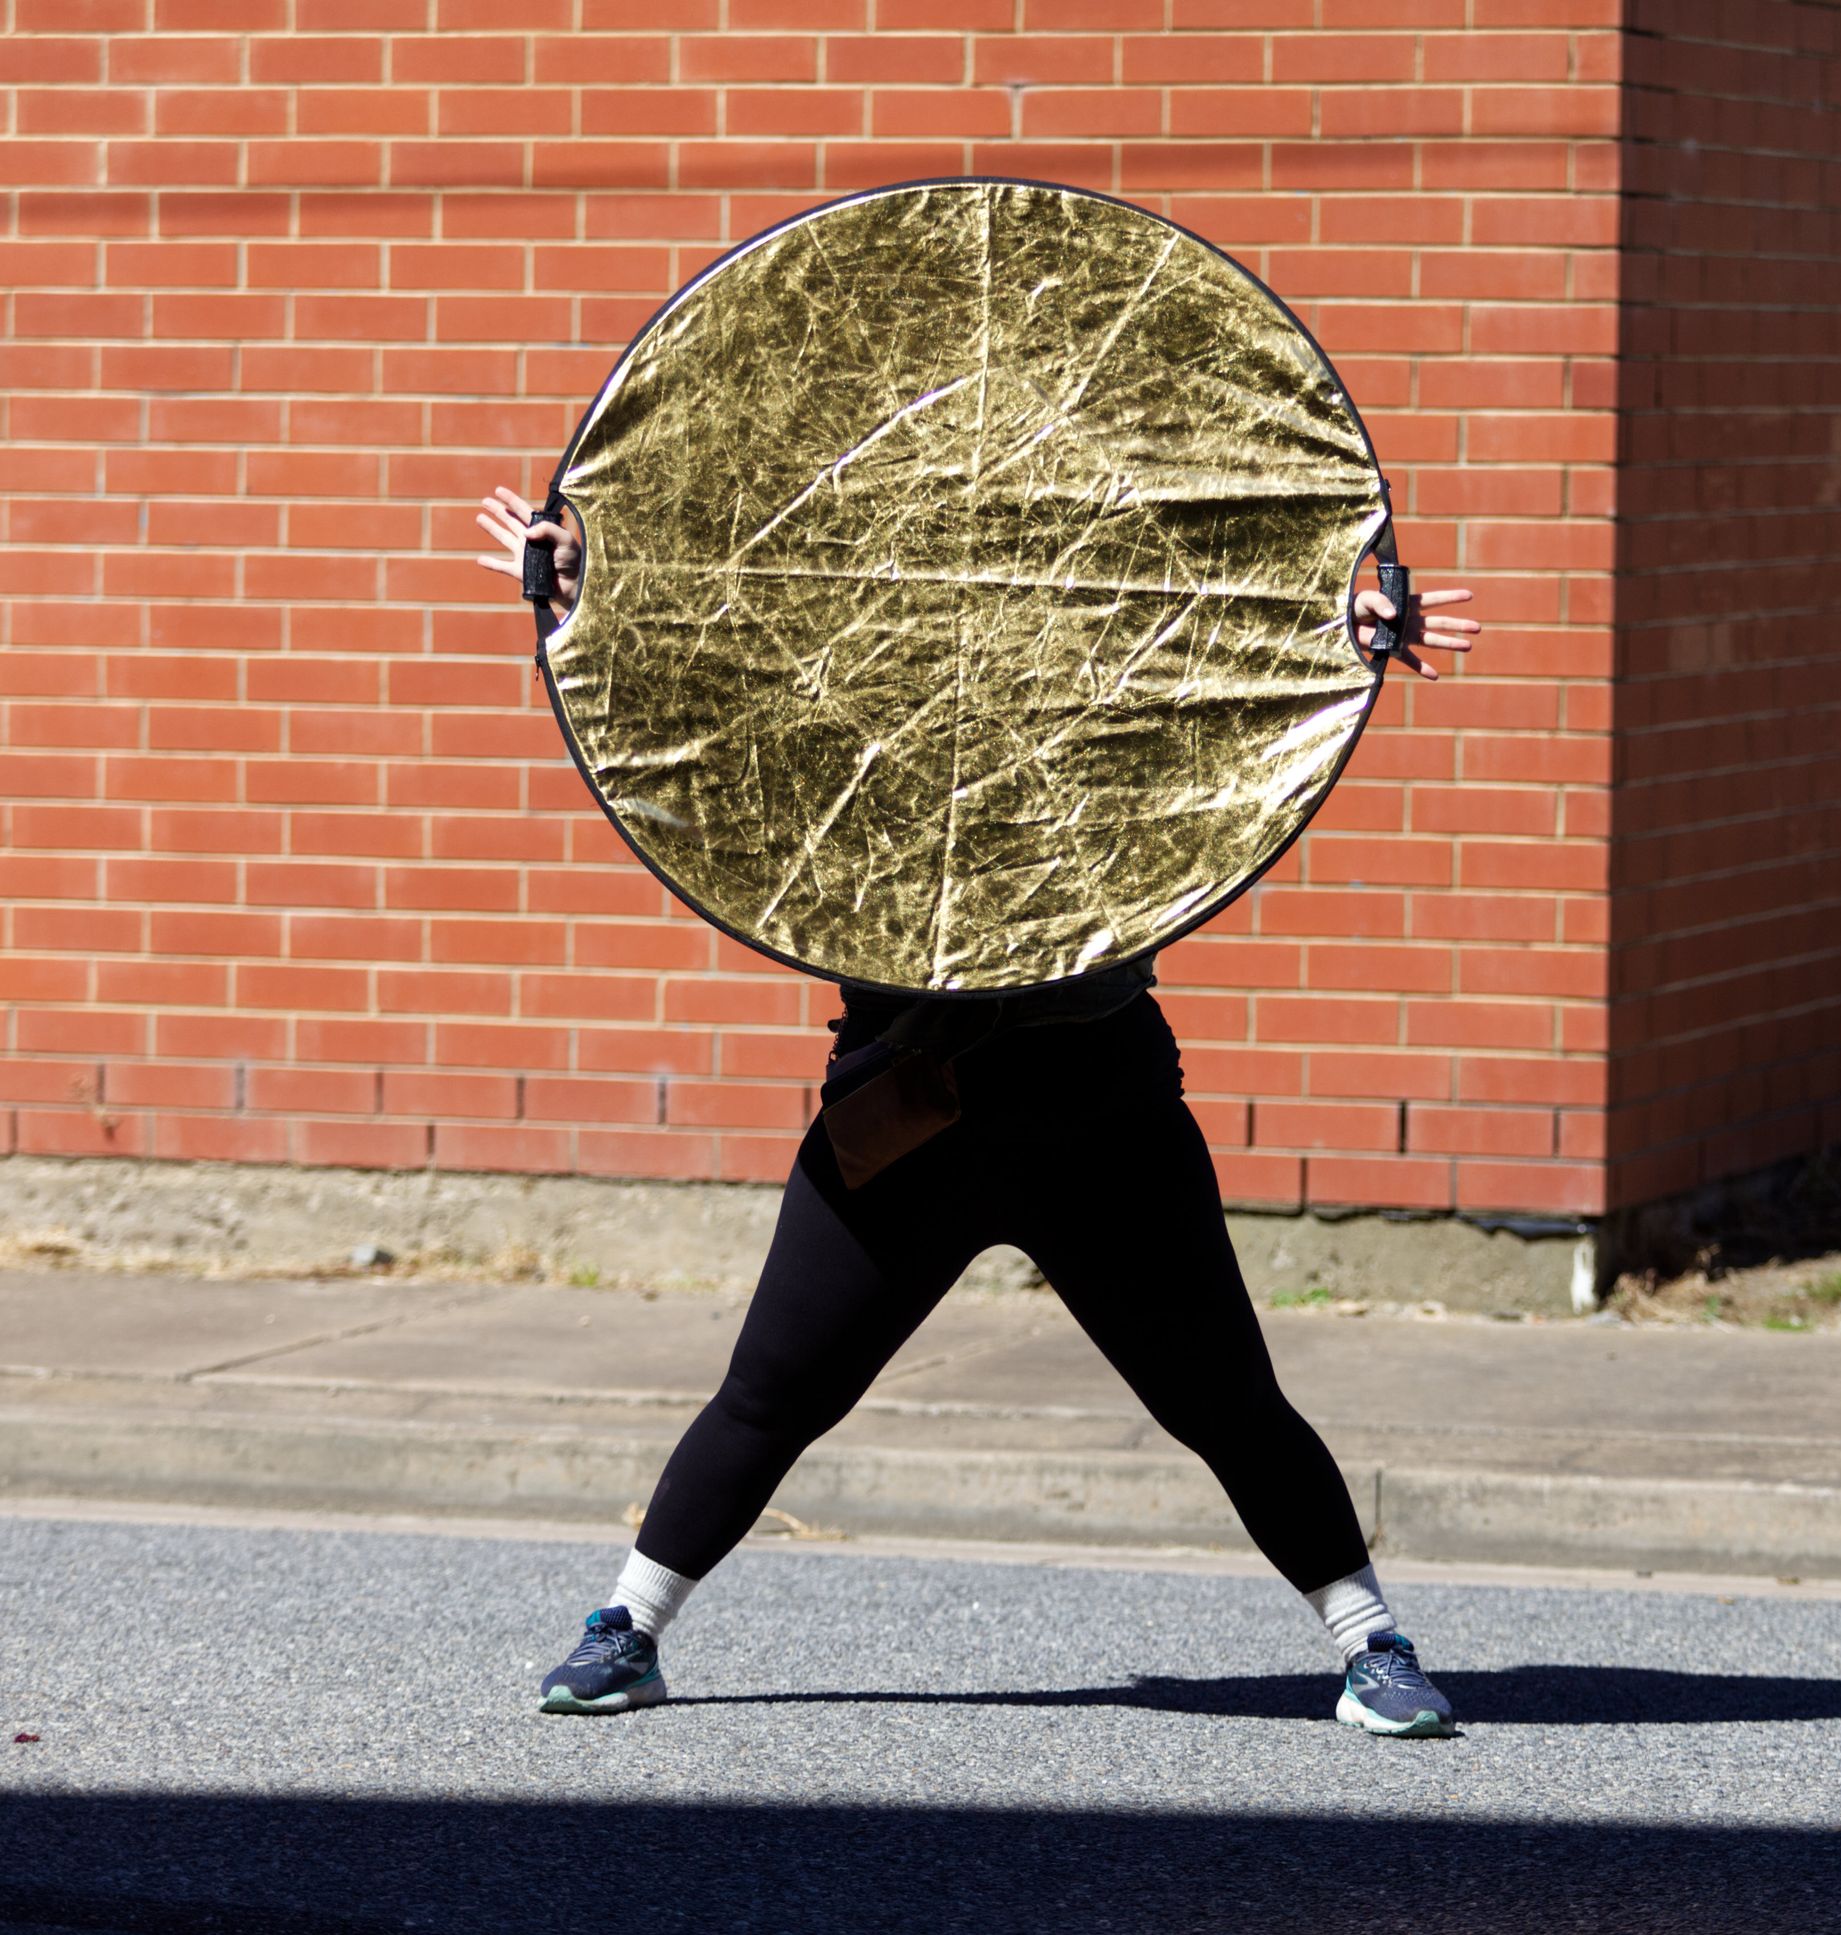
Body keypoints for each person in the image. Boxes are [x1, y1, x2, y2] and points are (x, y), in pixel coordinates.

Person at [475, 484, 1481, 1737]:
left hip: (1098, 1104)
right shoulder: (832, 716)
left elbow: (1222, 680)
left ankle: (1369, 1641)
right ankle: (626, 1628)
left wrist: (1348, 626)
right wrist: (587, 593)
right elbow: (706, 685)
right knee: (771, 1391)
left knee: (1224, 1399)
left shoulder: (1103, 702)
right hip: (908, 1111)